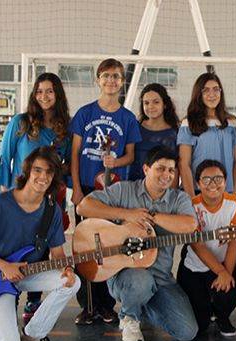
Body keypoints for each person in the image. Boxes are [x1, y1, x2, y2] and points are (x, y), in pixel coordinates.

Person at [76, 146, 198, 341]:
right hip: (126, 274)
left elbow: (190, 226)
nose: (166, 175)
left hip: (161, 278)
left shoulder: (179, 198)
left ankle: (142, 304)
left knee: (187, 331)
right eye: (160, 168)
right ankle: (129, 317)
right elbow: (84, 207)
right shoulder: (124, 190)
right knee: (140, 280)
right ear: (146, 169)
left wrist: (152, 217)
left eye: (171, 170)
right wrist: (127, 214)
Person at [0, 146, 80, 341]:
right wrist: (4, 266)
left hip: (27, 274)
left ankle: (34, 334)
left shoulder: (52, 211)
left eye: (49, 172)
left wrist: (67, 269)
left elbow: (57, 253)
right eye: (38, 170)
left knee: (72, 283)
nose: (43, 177)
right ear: (27, 171)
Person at [0, 72, 72, 326]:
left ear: (57, 94)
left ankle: (33, 302)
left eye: (49, 91)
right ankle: (7, 298)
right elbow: (5, 157)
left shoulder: (65, 128)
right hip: (19, 198)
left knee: (42, 249)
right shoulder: (21, 122)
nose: (44, 96)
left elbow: (67, 165)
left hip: (50, 199)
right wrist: (5, 196)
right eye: (39, 91)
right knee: (13, 249)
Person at [70, 58, 142, 325]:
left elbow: (131, 156)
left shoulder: (128, 118)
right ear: (98, 80)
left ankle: (107, 304)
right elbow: (75, 154)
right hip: (88, 191)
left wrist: (116, 162)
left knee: (110, 247)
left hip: (113, 193)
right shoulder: (84, 113)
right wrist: (77, 188)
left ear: (122, 82)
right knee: (85, 246)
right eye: (106, 75)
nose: (111, 80)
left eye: (116, 76)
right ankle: (88, 305)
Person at [177, 159, 236, 337]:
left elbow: (235, 243)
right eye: (206, 179)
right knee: (199, 325)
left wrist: (226, 274)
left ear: (226, 181)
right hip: (195, 266)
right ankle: (207, 312)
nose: (213, 184)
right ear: (198, 183)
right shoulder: (190, 206)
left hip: (224, 262)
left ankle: (223, 316)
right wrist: (220, 272)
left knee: (227, 293)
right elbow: (197, 246)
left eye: (218, 178)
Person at [178, 73, 236, 196]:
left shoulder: (232, 123)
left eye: (216, 89)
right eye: (206, 90)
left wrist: (234, 194)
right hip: (198, 192)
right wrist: (192, 198)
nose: (212, 94)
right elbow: (184, 163)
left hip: (226, 192)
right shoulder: (188, 123)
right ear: (199, 94)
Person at [129, 83, 179, 182]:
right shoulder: (135, 128)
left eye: (156, 102)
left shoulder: (174, 133)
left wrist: (171, 191)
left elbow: (175, 168)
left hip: (161, 187)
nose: (150, 106)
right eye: (146, 103)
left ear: (165, 104)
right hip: (134, 185)